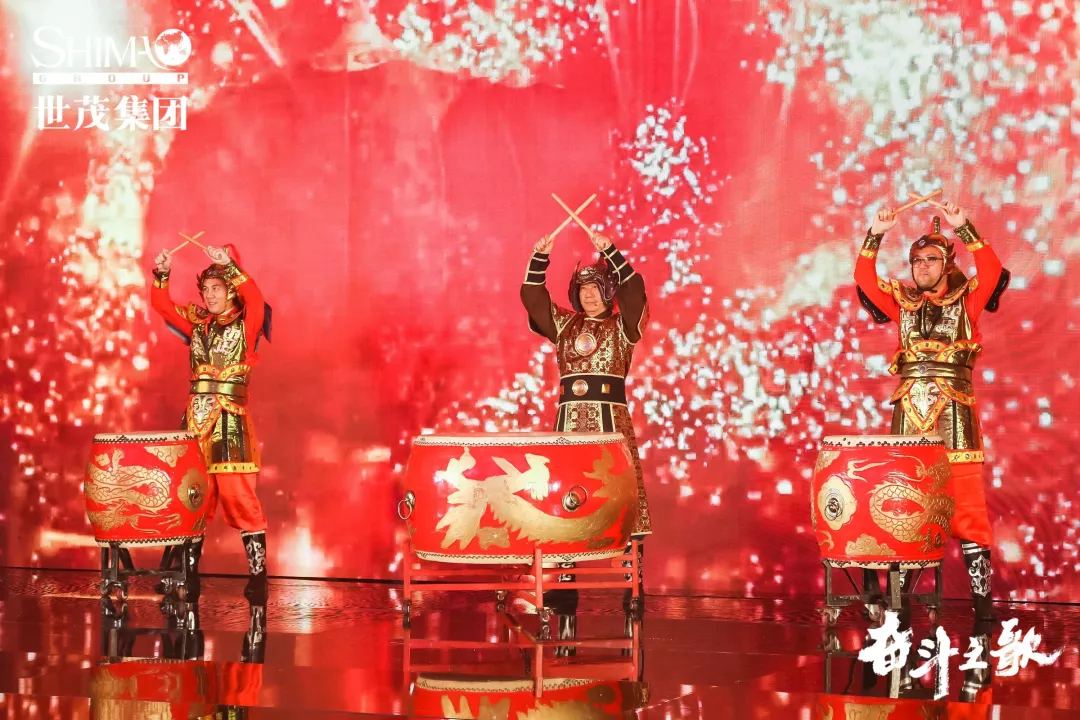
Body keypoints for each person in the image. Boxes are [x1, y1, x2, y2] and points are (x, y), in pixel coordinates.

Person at [854, 202, 1010, 621]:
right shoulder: (902, 304)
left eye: (931, 259)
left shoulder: (968, 300)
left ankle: (982, 609)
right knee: (906, 508)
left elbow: (991, 270)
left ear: (947, 263)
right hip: (909, 422)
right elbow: (864, 279)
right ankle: (898, 606)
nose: (922, 266)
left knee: (969, 513)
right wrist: (876, 233)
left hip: (956, 420)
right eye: (916, 260)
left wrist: (965, 226)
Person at [520, 229, 651, 616]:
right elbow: (533, 298)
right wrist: (540, 257)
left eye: (595, 288)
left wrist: (610, 251)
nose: (588, 295)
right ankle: (564, 584)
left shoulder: (623, 327)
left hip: (611, 423)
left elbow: (635, 292)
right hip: (569, 425)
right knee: (567, 495)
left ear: (608, 291)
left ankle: (633, 582)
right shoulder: (565, 325)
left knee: (623, 494)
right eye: (582, 289)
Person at [151, 242, 272, 601]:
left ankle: (259, 578)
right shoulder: (198, 323)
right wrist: (162, 274)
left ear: (231, 289)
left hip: (231, 425)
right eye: (206, 289)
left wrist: (229, 264)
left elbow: (255, 298)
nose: (210, 295)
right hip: (195, 423)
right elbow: (162, 306)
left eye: (217, 288)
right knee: (193, 499)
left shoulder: (247, 323)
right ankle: (187, 577)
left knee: (240, 498)